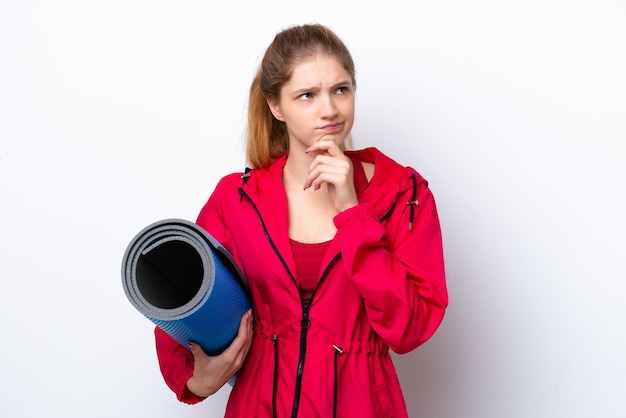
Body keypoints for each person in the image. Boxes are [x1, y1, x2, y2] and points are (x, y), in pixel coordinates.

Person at [154, 23, 448, 418]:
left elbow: (410, 328)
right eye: (307, 95)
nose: (330, 110)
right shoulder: (237, 199)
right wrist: (196, 380)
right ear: (277, 107)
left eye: (341, 90)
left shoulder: (403, 194)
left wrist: (353, 213)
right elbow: (180, 305)